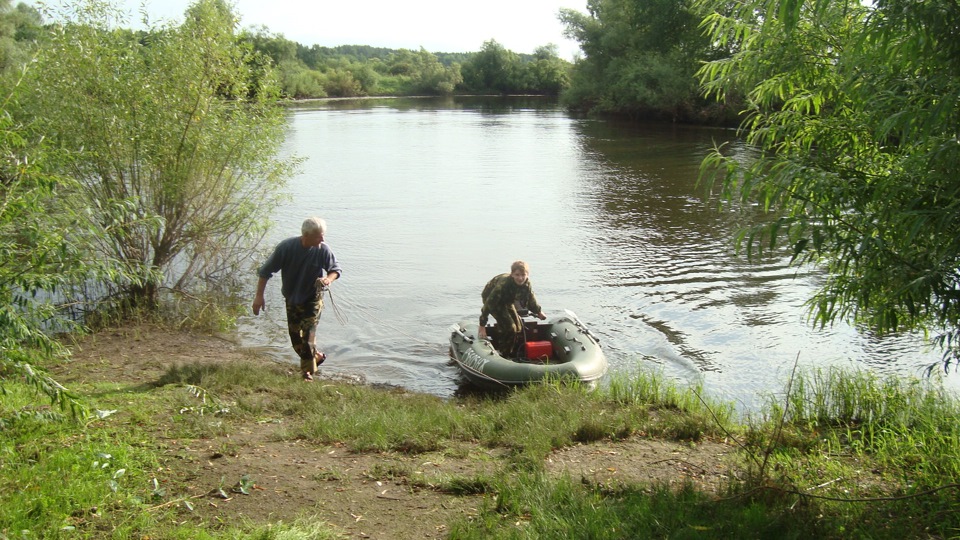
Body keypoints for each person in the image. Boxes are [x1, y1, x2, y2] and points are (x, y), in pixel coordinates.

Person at [253, 217, 342, 382]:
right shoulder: (286, 248)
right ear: (306, 236)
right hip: (292, 299)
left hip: (313, 299)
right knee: (296, 341)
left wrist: (328, 279)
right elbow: (265, 272)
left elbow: (335, 269)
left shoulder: (323, 249)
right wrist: (259, 297)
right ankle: (316, 357)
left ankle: (307, 374)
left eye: (323, 235)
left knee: (308, 336)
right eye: (318, 236)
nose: (322, 239)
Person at [478, 260, 546, 357]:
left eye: (523, 275)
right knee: (510, 327)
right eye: (517, 275)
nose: (520, 278)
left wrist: (538, 311)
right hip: (492, 299)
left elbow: (530, 298)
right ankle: (503, 352)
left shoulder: (526, 284)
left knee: (518, 327)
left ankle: (510, 350)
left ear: (527, 275)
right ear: (512, 274)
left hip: (507, 300)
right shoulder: (503, 285)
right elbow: (489, 304)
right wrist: (482, 325)